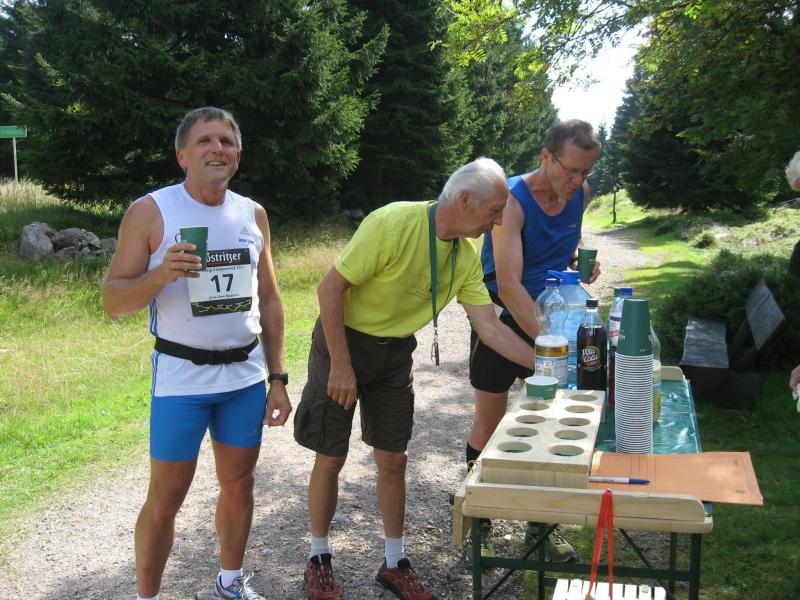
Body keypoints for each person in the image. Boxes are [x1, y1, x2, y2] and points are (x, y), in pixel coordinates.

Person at [294, 157, 540, 600]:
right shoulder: (393, 223)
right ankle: (318, 557)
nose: (499, 221)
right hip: (343, 342)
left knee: (394, 459)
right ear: (464, 200)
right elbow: (329, 288)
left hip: (394, 355)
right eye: (494, 210)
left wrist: (545, 365)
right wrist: (341, 365)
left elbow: (490, 327)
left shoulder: (465, 256)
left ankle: (394, 562)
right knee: (330, 456)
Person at [103, 107, 291, 600]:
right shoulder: (152, 212)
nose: (217, 149)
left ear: (238, 156)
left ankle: (230, 583)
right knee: (166, 498)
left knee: (240, 484)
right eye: (205, 140)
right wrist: (160, 275)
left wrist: (278, 377)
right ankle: (147, 596)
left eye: (226, 141)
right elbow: (113, 302)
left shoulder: (253, 214)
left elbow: (269, 298)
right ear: (182, 156)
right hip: (181, 378)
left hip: (244, 377)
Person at [466, 120, 602, 562]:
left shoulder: (580, 193)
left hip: (553, 317)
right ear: (546, 156)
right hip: (504, 320)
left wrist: (578, 266)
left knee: (552, 422)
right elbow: (508, 285)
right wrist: (552, 346)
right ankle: (479, 526)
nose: (577, 181)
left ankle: (541, 530)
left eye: (586, 172)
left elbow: (564, 247)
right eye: (570, 170)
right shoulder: (513, 201)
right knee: (490, 423)